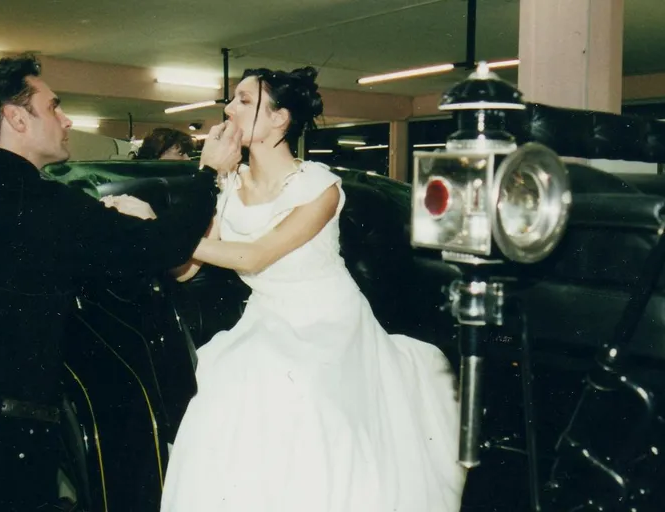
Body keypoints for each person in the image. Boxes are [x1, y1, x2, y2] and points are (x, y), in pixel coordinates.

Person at [0, 54, 242, 512]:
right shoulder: (49, 207)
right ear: (16, 119)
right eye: (53, 107)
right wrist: (208, 174)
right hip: (14, 449)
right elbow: (161, 248)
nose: (66, 119)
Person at [157, 66, 467, 512]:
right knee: (222, 385)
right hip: (266, 319)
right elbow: (186, 270)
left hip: (329, 320)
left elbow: (256, 256)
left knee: (305, 396)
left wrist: (163, 231)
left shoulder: (318, 185)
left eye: (244, 100)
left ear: (280, 119)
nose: (229, 109)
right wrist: (195, 191)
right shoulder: (226, 187)